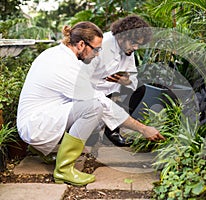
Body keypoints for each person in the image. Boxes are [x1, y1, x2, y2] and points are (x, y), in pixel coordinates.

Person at [17, 21, 165, 186]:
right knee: (95, 107)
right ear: (81, 44)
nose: (97, 54)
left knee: (94, 109)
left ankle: (41, 149)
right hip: (35, 125)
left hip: (41, 115)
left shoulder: (58, 54)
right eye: (96, 50)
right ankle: (64, 170)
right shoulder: (64, 65)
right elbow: (101, 102)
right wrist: (143, 129)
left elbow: (131, 82)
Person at [88, 15, 152, 147]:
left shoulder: (128, 50)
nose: (136, 48)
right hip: (91, 92)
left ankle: (112, 132)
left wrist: (126, 81)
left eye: (139, 45)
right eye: (134, 43)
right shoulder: (102, 45)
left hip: (110, 90)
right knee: (90, 140)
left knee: (140, 89)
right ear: (122, 35)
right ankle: (93, 129)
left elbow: (132, 78)